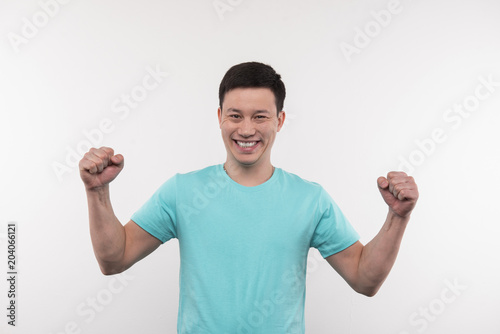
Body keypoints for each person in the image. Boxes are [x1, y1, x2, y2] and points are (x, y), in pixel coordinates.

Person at [79, 62, 419, 333]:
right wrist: (97, 191)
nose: (246, 129)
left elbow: (364, 279)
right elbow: (114, 259)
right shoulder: (183, 191)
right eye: (235, 115)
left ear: (280, 121)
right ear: (219, 118)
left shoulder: (310, 199)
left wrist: (398, 217)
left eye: (260, 116)